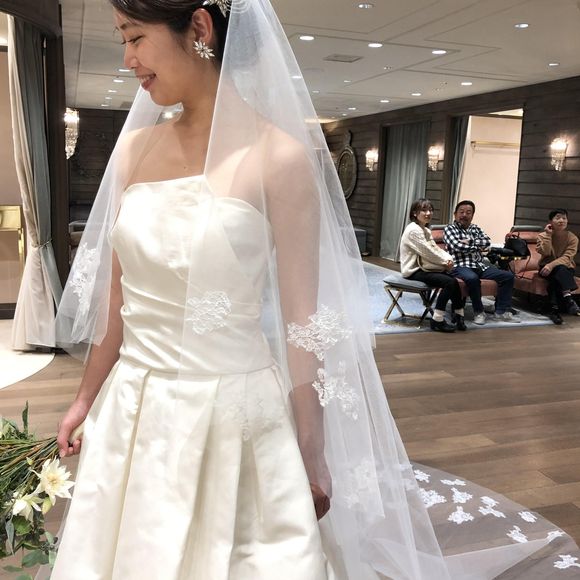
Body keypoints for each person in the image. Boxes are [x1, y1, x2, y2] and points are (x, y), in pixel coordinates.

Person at [49, 1, 452, 578]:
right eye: (123, 40)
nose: (128, 59)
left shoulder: (279, 157)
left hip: (232, 417)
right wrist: (85, 398)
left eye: (134, 37)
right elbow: (118, 303)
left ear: (199, 28)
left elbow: (303, 323)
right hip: (134, 411)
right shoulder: (135, 149)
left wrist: (312, 449)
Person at [444, 200, 519, 324]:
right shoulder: (449, 228)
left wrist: (469, 241)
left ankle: (501, 312)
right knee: (472, 278)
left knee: (508, 276)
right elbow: (457, 246)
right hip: (460, 265)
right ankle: (478, 312)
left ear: (472, 215)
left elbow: (487, 241)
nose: (464, 215)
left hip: (479, 266)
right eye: (461, 212)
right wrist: (477, 246)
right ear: (455, 214)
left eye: (468, 212)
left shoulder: (475, 228)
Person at [399, 199, 466, 333]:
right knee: (449, 282)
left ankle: (459, 315)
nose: (428, 213)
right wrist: (445, 263)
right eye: (424, 210)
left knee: (454, 281)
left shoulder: (424, 229)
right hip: (413, 270)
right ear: (415, 213)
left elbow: (435, 249)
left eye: (430, 210)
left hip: (424, 267)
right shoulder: (413, 230)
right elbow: (428, 252)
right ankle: (437, 320)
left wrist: (449, 259)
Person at [537, 208, 579, 325]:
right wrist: (548, 235)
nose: (561, 220)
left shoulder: (572, 238)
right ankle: (568, 299)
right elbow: (545, 252)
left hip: (565, 268)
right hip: (545, 268)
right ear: (550, 221)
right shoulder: (542, 236)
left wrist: (551, 265)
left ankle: (554, 310)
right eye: (558, 218)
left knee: (558, 273)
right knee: (559, 271)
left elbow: (567, 258)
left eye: (564, 218)